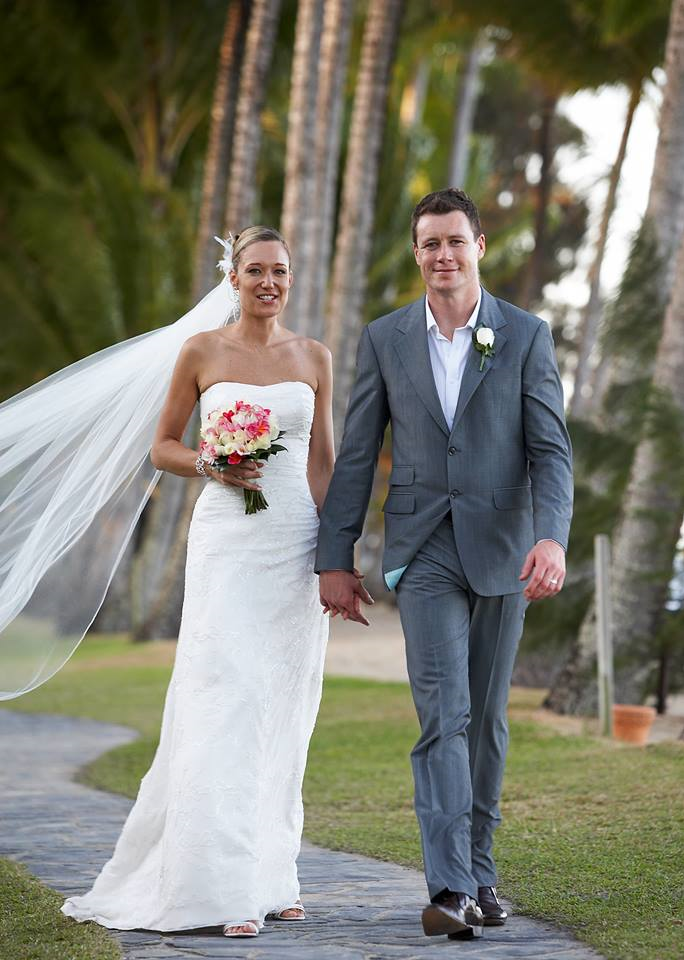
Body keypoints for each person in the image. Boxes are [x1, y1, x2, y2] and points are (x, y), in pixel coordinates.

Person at [58, 226, 335, 937]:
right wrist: (212, 464)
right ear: (232, 277)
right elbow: (163, 447)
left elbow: (322, 463)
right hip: (228, 540)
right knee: (225, 698)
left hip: (295, 543)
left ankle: (275, 876)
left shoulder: (314, 356)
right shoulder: (201, 351)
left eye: (280, 271)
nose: (269, 282)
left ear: (291, 279)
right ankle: (219, 886)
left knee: (285, 705)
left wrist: (336, 554)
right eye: (256, 270)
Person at [316, 189, 573, 941]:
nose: (443, 255)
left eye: (455, 241)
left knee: (485, 721)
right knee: (443, 717)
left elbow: (551, 451)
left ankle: (482, 874)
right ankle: (451, 887)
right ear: (417, 253)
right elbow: (357, 453)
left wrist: (551, 537)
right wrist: (336, 556)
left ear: (479, 247)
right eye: (429, 243)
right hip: (422, 549)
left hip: (504, 549)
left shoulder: (526, 335)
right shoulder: (385, 338)